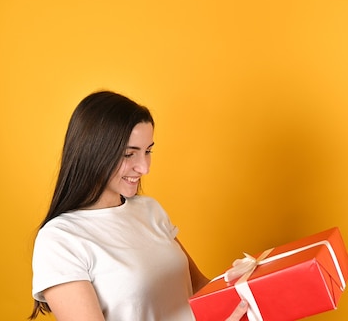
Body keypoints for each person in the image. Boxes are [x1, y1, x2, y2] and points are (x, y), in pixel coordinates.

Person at [29, 91, 248, 320]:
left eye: (148, 151)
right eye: (128, 154)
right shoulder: (59, 240)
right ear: (93, 154)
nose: (144, 168)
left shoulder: (150, 210)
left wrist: (242, 282)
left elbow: (200, 288)